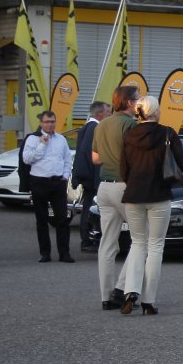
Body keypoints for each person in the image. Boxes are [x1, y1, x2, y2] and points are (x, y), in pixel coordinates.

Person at [113, 95, 183, 315]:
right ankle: (148, 301)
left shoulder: (129, 134)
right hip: (159, 195)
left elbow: (123, 169)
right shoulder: (167, 133)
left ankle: (130, 292)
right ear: (155, 111)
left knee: (137, 244)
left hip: (133, 195)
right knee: (155, 246)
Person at [91, 85, 140, 311]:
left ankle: (105, 296)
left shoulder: (102, 124)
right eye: (137, 99)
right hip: (125, 185)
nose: (139, 103)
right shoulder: (130, 125)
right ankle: (121, 290)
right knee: (141, 239)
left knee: (107, 244)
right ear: (129, 103)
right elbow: (136, 157)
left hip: (104, 187)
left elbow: (95, 159)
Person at [23, 110, 76, 263]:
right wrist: (42, 145)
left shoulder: (61, 139)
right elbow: (27, 159)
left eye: (52, 121)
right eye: (47, 122)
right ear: (41, 123)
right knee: (42, 219)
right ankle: (45, 253)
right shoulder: (33, 139)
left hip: (57, 182)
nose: (50, 124)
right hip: (39, 182)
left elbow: (67, 159)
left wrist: (65, 176)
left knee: (62, 219)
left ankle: (64, 253)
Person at [73, 101, 110, 252]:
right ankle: (87, 240)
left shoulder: (88, 127)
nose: (110, 114)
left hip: (89, 176)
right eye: (108, 111)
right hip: (93, 177)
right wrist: (96, 180)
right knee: (90, 208)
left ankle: (88, 238)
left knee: (89, 207)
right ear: (99, 114)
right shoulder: (95, 128)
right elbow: (91, 155)